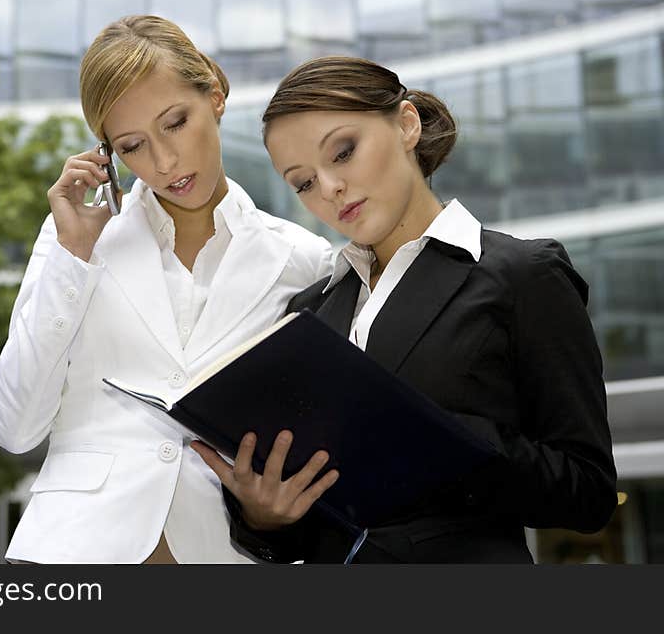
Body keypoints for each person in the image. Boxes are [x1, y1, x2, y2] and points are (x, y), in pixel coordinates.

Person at [192, 56, 617, 563]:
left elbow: (589, 493)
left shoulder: (523, 274)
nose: (328, 189)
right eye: (303, 182)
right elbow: (318, 526)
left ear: (407, 124)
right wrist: (265, 515)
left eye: (343, 152)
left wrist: (458, 444)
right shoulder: (310, 313)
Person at [0, 17, 333, 563]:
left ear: (214, 96)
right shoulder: (72, 238)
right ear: (107, 154)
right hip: (72, 551)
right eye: (133, 145)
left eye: (176, 122)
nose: (164, 162)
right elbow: (14, 428)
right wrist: (72, 260)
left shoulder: (305, 259)